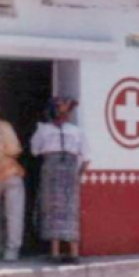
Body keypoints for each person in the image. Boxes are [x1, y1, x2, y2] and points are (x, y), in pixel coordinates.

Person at [31, 97, 90, 264]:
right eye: (64, 112)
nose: (67, 115)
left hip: (51, 170)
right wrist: (77, 175)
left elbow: (35, 151)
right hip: (68, 172)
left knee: (53, 209)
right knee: (68, 209)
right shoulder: (76, 131)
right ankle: (71, 253)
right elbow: (86, 158)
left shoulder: (43, 130)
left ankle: (58, 252)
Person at [0, 97, 26, 262]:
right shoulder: (5, 126)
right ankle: (12, 251)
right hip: (11, 174)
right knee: (14, 214)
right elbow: (15, 150)